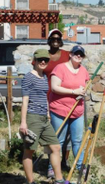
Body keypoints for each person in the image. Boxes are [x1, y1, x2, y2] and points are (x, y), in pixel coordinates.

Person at [19, 49, 64, 184]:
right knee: (29, 151)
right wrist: (23, 122)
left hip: (44, 118)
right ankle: (31, 181)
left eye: (45, 59)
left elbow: (45, 97)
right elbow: (25, 100)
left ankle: (59, 180)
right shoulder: (28, 77)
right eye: (40, 60)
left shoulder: (44, 77)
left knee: (55, 147)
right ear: (35, 61)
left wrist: (48, 113)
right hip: (33, 118)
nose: (43, 62)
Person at [48, 45, 90, 172]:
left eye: (81, 54)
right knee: (58, 141)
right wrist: (73, 91)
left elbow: (85, 86)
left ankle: (80, 167)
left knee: (77, 141)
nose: (78, 56)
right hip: (59, 110)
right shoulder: (60, 68)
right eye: (76, 53)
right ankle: (52, 168)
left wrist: (84, 92)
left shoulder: (83, 71)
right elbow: (55, 87)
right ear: (70, 55)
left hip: (77, 111)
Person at [43, 29, 71, 177]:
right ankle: (51, 165)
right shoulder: (43, 55)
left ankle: (63, 162)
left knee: (68, 135)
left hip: (65, 97)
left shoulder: (67, 55)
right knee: (53, 134)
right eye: (53, 38)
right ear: (49, 40)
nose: (55, 40)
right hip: (48, 98)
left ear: (61, 41)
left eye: (58, 38)